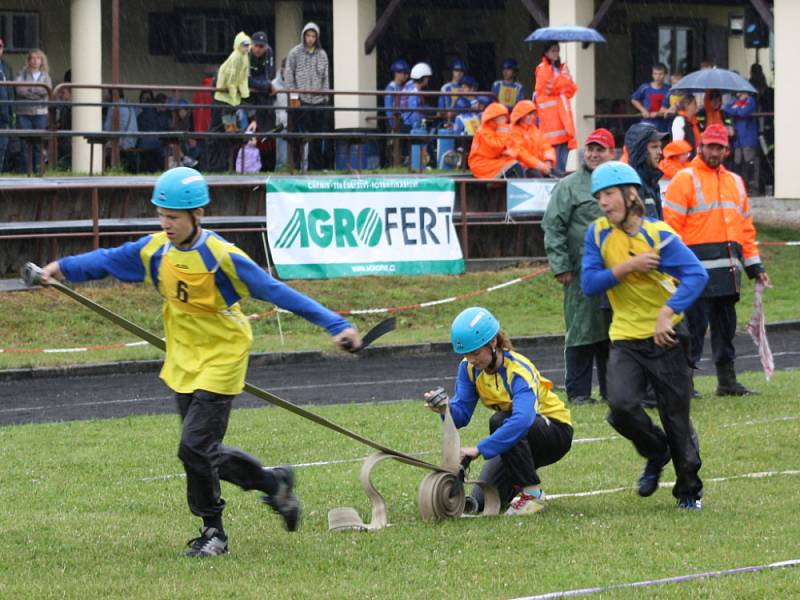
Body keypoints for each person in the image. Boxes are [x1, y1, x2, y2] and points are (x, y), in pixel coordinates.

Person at [38, 167, 362, 556]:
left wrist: (336, 325)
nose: (166, 223)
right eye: (162, 214)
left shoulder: (222, 257)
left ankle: (215, 533)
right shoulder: (156, 249)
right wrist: (62, 269)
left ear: (198, 215)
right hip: (182, 358)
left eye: (173, 217)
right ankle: (274, 484)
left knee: (193, 447)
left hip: (223, 356)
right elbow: (108, 260)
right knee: (203, 451)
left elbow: (277, 292)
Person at [582, 161, 707, 511]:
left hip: (666, 338)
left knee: (675, 417)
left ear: (630, 194)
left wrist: (667, 313)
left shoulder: (660, 235)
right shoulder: (597, 234)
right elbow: (589, 283)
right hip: (624, 336)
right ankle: (656, 451)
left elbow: (696, 275)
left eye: (608, 194)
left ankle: (688, 491)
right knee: (620, 407)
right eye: (599, 197)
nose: (603, 202)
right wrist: (627, 268)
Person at [423, 307, 573, 515]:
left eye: (475, 352)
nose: (472, 359)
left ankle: (533, 495)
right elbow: (461, 416)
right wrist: (444, 409)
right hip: (516, 438)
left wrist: (479, 449)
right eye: (466, 354)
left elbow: (522, 420)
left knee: (501, 420)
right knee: (480, 503)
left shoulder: (519, 371)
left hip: (555, 432)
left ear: (493, 342)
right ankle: (516, 492)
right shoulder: (468, 369)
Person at [664, 124, 769, 396]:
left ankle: (727, 381)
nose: (714, 151)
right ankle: (686, 383)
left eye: (718, 147)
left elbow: (746, 228)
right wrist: (675, 269)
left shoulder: (735, 181)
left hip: (728, 271)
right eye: (709, 146)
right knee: (694, 329)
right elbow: (671, 229)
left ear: (726, 149)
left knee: (725, 329)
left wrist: (754, 266)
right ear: (701, 147)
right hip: (694, 273)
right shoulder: (684, 179)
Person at [543, 128, 616, 405]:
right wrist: (560, 265)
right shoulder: (569, 185)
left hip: (615, 275)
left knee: (612, 334)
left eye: (601, 149)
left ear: (612, 153)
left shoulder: (618, 183)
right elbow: (553, 226)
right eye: (591, 149)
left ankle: (613, 390)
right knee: (581, 332)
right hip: (580, 274)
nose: (594, 154)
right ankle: (578, 392)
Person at [285, 22, 330, 171]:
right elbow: (289, 75)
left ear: (317, 38)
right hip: (300, 100)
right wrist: (294, 97)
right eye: (308, 35)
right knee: (299, 135)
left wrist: (325, 98)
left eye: (313, 36)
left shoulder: (322, 55)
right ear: (303, 36)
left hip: (318, 101)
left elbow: (325, 78)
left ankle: (315, 167)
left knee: (317, 136)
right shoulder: (294, 53)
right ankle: (296, 166)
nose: (310, 39)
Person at [208, 32, 252, 171]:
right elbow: (232, 79)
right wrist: (235, 96)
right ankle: (215, 166)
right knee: (218, 133)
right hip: (223, 101)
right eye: (244, 45)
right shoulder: (235, 58)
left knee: (228, 131)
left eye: (248, 45)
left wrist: (244, 94)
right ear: (238, 45)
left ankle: (225, 166)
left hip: (229, 102)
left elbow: (243, 78)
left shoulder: (244, 58)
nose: (247, 47)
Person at [534, 42, 577, 174]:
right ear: (546, 53)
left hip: (564, 125)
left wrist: (566, 79)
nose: (556, 53)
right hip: (551, 125)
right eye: (553, 51)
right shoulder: (542, 69)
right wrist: (565, 79)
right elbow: (551, 87)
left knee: (561, 169)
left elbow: (571, 91)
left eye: (557, 51)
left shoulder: (560, 69)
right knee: (554, 169)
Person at [15, 48, 52, 174]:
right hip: (24, 113)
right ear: (29, 60)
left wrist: (29, 91)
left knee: (38, 144)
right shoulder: (22, 74)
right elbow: (19, 90)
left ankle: (38, 170)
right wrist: (36, 91)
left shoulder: (45, 76)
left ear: (42, 61)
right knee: (25, 144)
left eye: (38, 58)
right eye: (33, 58)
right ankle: (26, 171)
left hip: (40, 114)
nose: (35, 61)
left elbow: (46, 90)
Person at [623, 123, 667, 218]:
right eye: (654, 147)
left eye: (660, 146)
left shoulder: (650, 180)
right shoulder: (633, 185)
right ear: (640, 151)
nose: (660, 152)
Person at [467, 102, 521, 179]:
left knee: (517, 165)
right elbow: (497, 148)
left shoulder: (500, 129)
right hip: (481, 164)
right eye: (502, 116)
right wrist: (502, 129)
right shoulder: (483, 131)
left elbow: (512, 145)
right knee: (514, 167)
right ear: (494, 117)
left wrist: (512, 152)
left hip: (494, 161)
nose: (505, 119)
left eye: (505, 116)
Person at [723, 92, 759, 194]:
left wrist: (736, 109)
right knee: (738, 163)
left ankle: (753, 188)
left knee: (750, 163)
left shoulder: (751, 101)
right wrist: (738, 107)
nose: (739, 94)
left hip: (748, 138)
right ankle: (741, 186)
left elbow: (743, 112)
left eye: (742, 92)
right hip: (738, 139)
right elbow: (727, 109)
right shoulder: (737, 101)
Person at [508, 100, 555, 177]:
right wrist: (539, 165)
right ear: (521, 115)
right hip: (523, 170)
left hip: (539, 167)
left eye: (533, 114)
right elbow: (521, 153)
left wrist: (548, 161)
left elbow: (546, 146)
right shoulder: (513, 131)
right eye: (529, 114)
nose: (532, 117)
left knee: (559, 176)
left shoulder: (535, 129)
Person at [246, 31, 276, 132]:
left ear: (266, 47)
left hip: (262, 86)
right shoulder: (246, 53)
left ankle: (267, 131)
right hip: (247, 92)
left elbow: (270, 75)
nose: (258, 49)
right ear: (251, 45)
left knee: (269, 99)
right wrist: (263, 84)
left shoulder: (269, 52)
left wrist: (265, 84)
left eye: (261, 46)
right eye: (256, 46)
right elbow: (247, 80)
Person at [630, 63, 671, 133]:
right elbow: (634, 99)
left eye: (661, 74)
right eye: (655, 74)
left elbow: (672, 105)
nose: (658, 76)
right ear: (652, 75)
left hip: (664, 124)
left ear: (665, 75)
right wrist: (643, 110)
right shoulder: (645, 87)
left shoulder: (669, 89)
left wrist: (658, 113)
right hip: (647, 123)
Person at [401, 62, 432, 131]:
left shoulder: (409, 85)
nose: (428, 80)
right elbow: (414, 114)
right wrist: (421, 129)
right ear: (423, 78)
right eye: (427, 78)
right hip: (412, 126)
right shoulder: (414, 92)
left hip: (406, 123)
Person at [271, 58, 289, 170]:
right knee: (282, 158)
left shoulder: (298, 83)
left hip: (296, 122)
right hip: (281, 124)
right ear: (282, 69)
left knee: (303, 156)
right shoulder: (273, 85)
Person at [384, 59, 410, 132]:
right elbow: (388, 108)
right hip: (394, 122)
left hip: (401, 120)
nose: (407, 76)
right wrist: (393, 125)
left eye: (407, 73)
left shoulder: (403, 87)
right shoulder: (390, 87)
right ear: (397, 73)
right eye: (404, 73)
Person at [0, 37, 13, 172]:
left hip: (4, 114)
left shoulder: (6, 68)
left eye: (0, 46)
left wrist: (10, 112)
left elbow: (10, 91)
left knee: (2, 148)